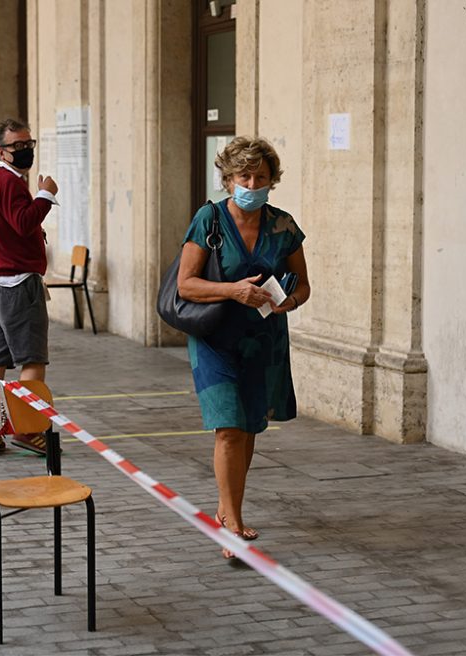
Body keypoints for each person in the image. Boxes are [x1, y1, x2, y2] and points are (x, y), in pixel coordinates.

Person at [177, 136, 311, 559]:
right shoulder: (209, 219)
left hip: (263, 339)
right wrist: (233, 291)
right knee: (229, 427)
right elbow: (186, 283)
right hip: (215, 337)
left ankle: (227, 505)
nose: (252, 183)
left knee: (249, 425)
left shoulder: (283, 226)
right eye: (244, 175)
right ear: (228, 178)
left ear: (273, 181)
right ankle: (231, 523)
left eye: (261, 177)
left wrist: (290, 300)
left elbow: (303, 285)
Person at [0, 118, 58, 455]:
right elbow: (24, 223)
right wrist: (46, 195)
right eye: (18, 147)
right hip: (18, 285)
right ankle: (26, 430)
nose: (25, 151)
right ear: (2, 151)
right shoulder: (10, 184)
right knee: (32, 360)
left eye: (30, 144)